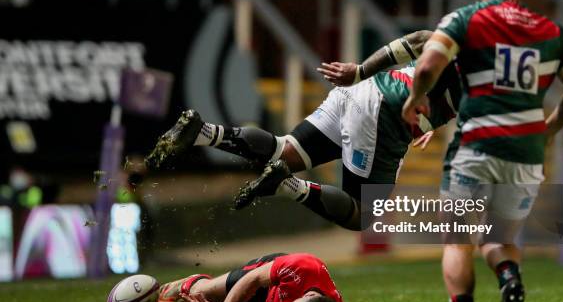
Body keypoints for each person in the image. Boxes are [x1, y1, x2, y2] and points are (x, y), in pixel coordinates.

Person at [402, 0, 563, 302]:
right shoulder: (554, 32)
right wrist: (549, 129)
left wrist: (415, 98)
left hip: (476, 146)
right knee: (500, 239)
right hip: (526, 154)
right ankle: (509, 277)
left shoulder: (466, 18)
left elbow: (427, 67)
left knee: (457, 238)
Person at [146, 30, 460, 231]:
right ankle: (288, 185)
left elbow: (429, 63)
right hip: (384, 112)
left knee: (286, 150)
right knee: (363, 213)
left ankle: (203, 132)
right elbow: (421, 39)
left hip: (365, 90)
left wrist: (426, 121)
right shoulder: (488, 63)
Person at [137, 253, 344, 302]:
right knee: (203, 293)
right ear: (308, 295)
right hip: (264, 277)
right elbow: (252, 280)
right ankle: (187, 284)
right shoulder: (301, 266)